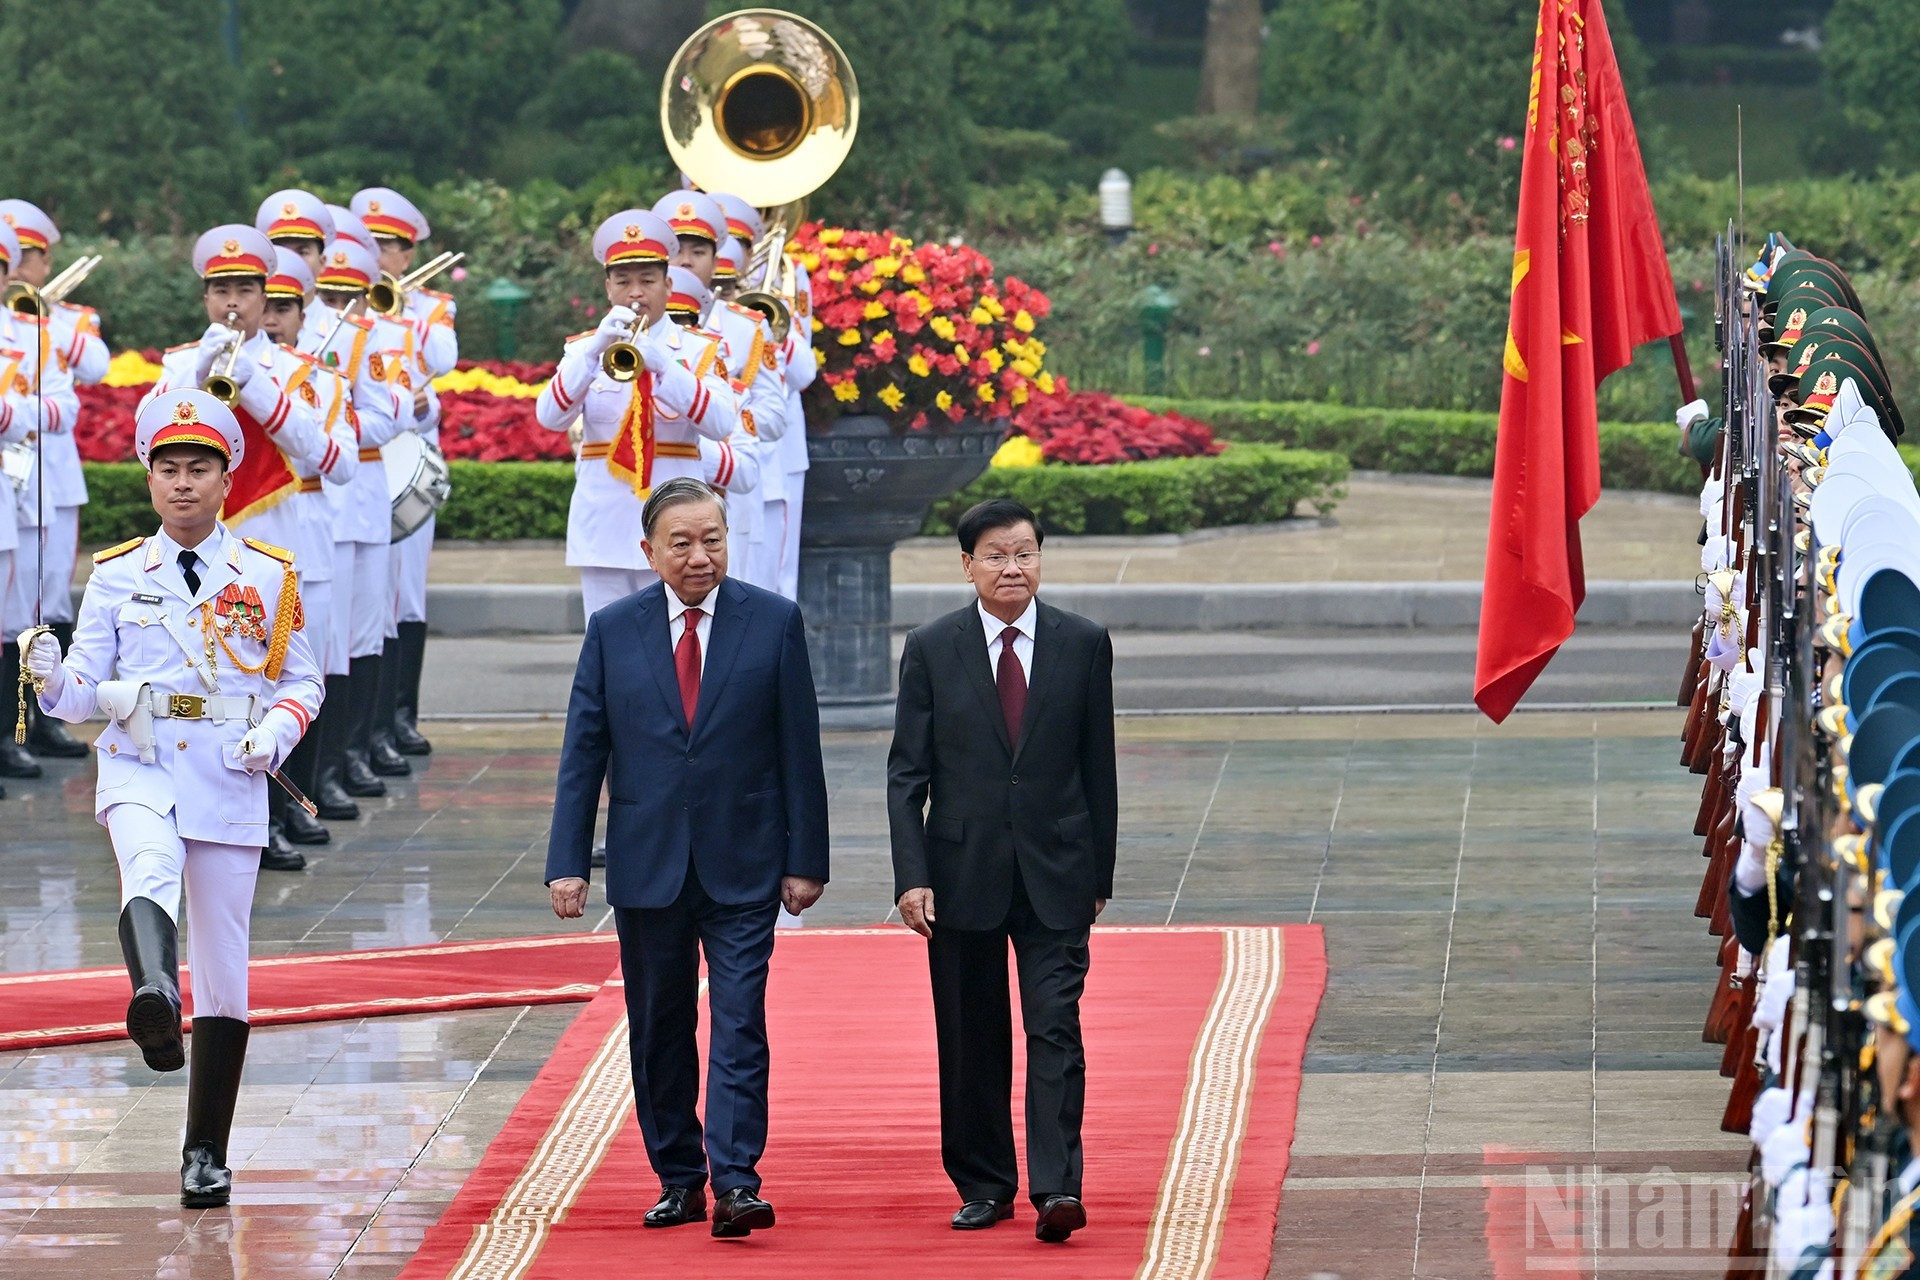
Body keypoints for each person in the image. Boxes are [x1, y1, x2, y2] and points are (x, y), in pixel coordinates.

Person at [19, 387, 323, 1207]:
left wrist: (277, 733)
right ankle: (154, 995)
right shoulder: (118, 575)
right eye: (168, 469)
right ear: (150, 480)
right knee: (146, 867)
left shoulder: (266, 574)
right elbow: (83, 694)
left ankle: (204, 1151)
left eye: (200, 468)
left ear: (229, 479)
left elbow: (304, 680)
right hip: (140, 760)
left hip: (230, 768)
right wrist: (50, 681)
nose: (183, 483)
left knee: (224, 965)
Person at [546, 477, 828, 1238]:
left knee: (740, 1022)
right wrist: (567, 860)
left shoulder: (771, 622)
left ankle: (738, 1181)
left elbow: (799, 749)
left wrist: (808, 859)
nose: (700, 555)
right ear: (649, 551)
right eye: (682, 542)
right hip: (648, 865)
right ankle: (680, 1175)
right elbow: (584, 752)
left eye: (713, 540)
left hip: (746, 861)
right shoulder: (613, 629)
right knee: (659, 1026)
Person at [886, 497, 1118, 1242]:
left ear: (1040, 559)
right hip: (961, 874)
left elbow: (1098, 769)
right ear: (967, 566)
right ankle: (986, 1183)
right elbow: (905, 777)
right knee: (972, 1035)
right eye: (995, 554)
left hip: (1057, 871)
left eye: (1024, 552)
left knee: (1056, 1029)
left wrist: (1098, 874)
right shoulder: (932, 646)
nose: (1012, 566)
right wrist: (911, 875)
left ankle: (1057, 1190)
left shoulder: (1082, 643)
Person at [140, 226, 343, 870]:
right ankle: (203, 806)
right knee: (211, 672)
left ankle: (278, 811)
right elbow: (145, 447)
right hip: (199, 541)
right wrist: (196, 385)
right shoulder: (179, 365)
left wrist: (252, 381)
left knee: (275, 676)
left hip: (274, 535)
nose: (233, 302)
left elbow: (326, 454)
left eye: (245, 291)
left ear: (264, 297)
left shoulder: (294, 369)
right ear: (206, 297)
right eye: (221, 290)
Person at [533, 210, 738, 619]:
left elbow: (720, 423)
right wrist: (594, 353)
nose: (636, 293)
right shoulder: (583, 349)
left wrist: (666, 366)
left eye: (647, 280)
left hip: (676, 525)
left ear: (667, 283)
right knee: (607, 647)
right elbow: (549, 416)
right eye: (623, 281)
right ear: (608, 287)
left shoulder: (698, 349)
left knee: (677, 639)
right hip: (604, 525)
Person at [303, 237, 409, 811]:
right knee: (316, 649)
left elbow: (385, 416)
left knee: (355, 640)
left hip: (356, 495)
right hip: (302, 509)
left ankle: (344, 756)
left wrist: (328, 424)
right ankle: (310, 775)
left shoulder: (360, 338)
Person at [352, 186, 455, 760]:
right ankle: (365, 730)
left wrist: (402, 309)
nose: (375, 254)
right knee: (365, 598)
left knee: (403, 595)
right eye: (364, 244)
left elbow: (440, 363)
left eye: (385, 245)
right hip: (362, 460)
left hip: (407, 460)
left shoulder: (431, 310)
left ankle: (399, 717)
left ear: (406, 254)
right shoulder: (339, 308)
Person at [653, 189, 786, 590]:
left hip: (729, 486)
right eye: (677, 251)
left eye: (698, 251)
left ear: (716, 259)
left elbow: (774, 416)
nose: (686, 261)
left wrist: (722, 424)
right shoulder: (634, 326)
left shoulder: (746, 326)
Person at [0, 202, 93, 763]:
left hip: (19, 486)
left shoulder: (33, 333)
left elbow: (65, 405)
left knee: (25, 611)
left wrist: (10, 413)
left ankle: (20, 730)